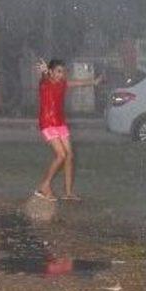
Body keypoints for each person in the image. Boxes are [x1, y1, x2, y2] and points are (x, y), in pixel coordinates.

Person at [34, 58, 101, 202]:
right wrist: (45, 71)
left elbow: (77, 83)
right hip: (47, 123)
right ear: (51, 72)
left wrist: (93, 82)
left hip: (60, 123)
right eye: (58, 71)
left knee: (69, 155)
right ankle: (44, 186)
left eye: (63, 72)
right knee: (61, 155)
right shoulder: (45, 83)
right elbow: (45, 78)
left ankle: (68, 193)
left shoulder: (62, 84)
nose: (61, 74)